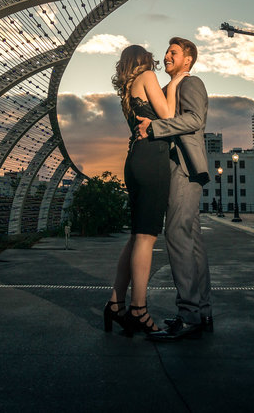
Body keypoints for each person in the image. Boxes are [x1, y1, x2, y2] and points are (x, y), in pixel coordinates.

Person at [104, 45, 187, 336]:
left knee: (137, 236)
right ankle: (138, 309)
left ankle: (116, 303)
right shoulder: (148, 76)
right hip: (151, 160)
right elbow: (168, 117)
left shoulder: (128, 90)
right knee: (146, 237)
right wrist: (175, 83)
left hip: (135, 160)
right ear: (143, 61)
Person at [135, 37, 212, 341]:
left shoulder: (191, 83)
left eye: (173, 53)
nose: (167, 56)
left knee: (177, 234)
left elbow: (195, 119)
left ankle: (189, 314)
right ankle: (201, 312)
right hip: (180, 168)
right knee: (191, 240)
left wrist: (153, 128)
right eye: (167, 52)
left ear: (188, 60)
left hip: (183, 166)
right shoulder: (172, 86)